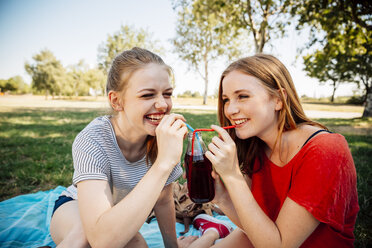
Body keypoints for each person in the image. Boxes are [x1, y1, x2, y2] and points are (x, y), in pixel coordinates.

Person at [186, 54, 359, 247]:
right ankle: (212, 233)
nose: (230, 110)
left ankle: (211, 233)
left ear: (278, 99)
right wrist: (223, 198)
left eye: (242, 96)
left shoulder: (325, 150)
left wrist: (233, 176)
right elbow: (255, 228)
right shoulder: (256, 146)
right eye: (226, 99)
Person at [50, 47, 192, 248]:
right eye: (147, 95)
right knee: (84, 238)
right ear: (117, 101)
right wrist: (163, 164)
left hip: (120, 214)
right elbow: (102, 241)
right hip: (74, 206)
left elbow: (163, 200)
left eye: (167, 94)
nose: (162, 104)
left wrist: (173, 246)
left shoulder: (164, 140)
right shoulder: (93, 139)